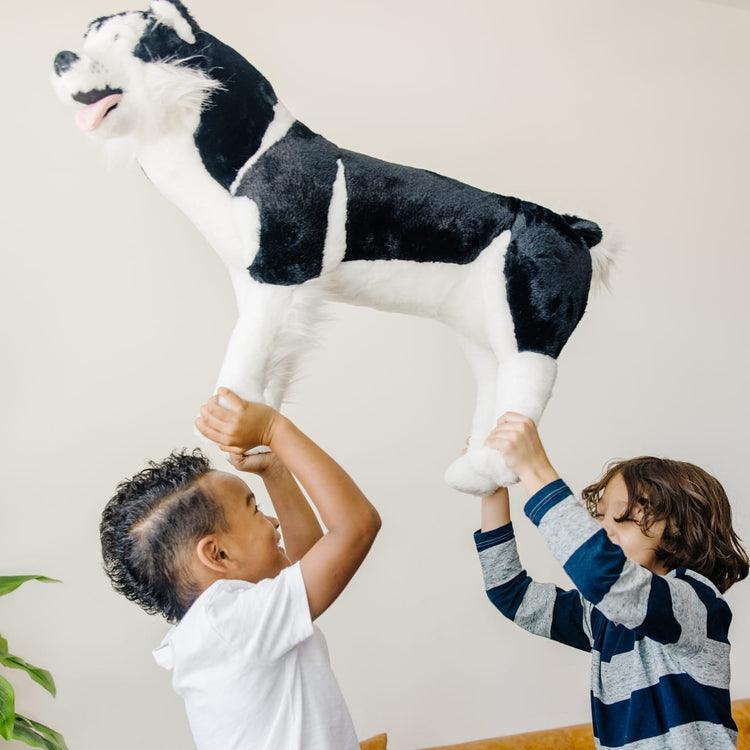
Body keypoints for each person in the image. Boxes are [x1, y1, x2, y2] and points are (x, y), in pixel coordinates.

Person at [100, 388, 381, 750]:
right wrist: (273, 429)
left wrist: (276, 469)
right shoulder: (229, 624)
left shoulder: (221, 628)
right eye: (254, 509)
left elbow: (311, 558)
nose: (273, 521)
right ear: (217, 555)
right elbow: (356, 527)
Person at [474, 412, 749, 750]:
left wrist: (536, 471)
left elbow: (604, 576)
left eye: (623, 517)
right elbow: (512, 594)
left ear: (677, 529)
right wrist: (492, 489)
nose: (603, 528)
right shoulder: (604, 616)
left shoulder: (696, 604)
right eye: (600, 515)